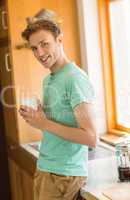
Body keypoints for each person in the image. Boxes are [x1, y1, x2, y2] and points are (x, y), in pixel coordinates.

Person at [19, 9, 96, 200]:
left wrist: (43, 123)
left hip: (63, 175)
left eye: (45, 44)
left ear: (59, 40)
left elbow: (91, 138)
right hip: (46, 168)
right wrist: (39, 115)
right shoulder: (50, 79)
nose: (40, 53)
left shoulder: (75, 78)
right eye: (34, 48)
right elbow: (60, 121)